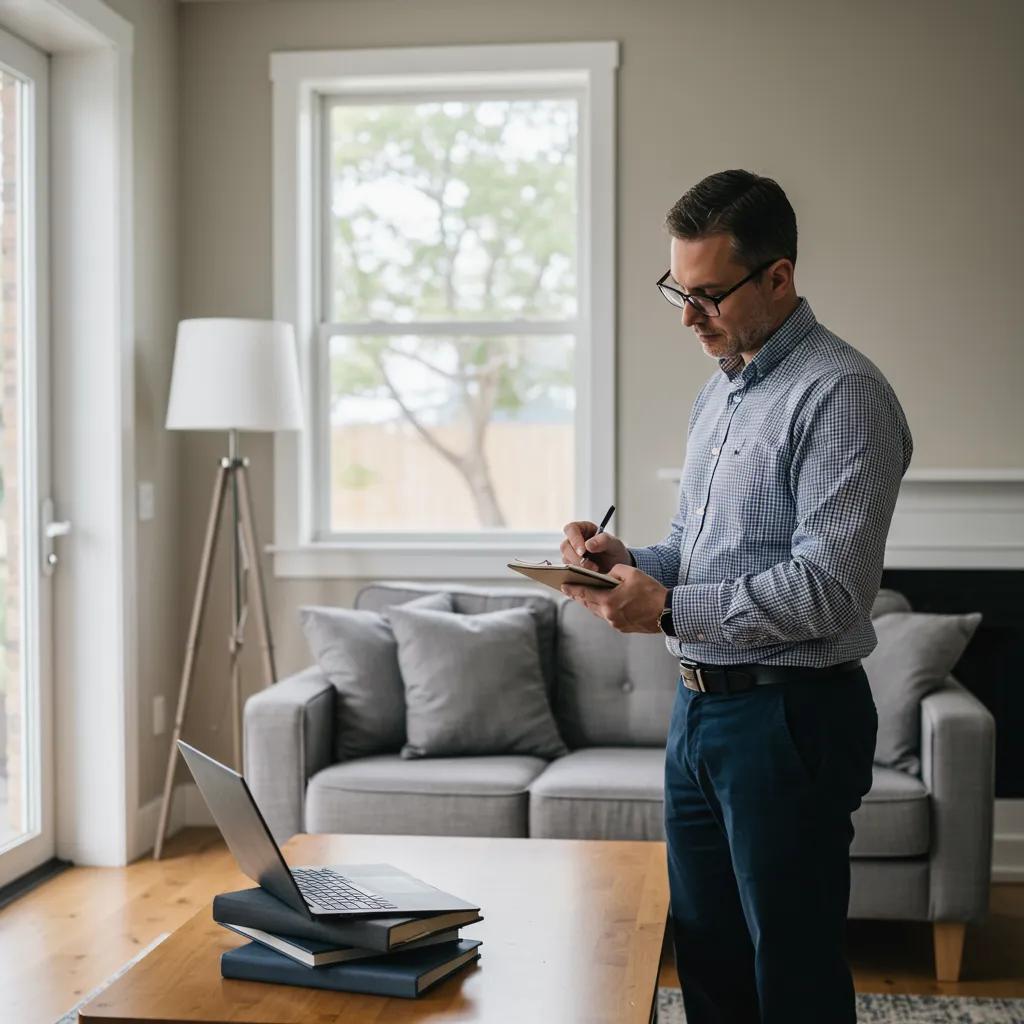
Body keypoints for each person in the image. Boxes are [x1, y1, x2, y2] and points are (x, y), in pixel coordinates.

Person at [559, 169, 912, 1024]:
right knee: (707, 953)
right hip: (700, 715)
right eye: (678, 290)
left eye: (708, 294)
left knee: (789, 965)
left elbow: (827, 592)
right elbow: (692, 552)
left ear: (779, 277)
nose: (689, 316)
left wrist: (668, 610)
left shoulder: (844, 396)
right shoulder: (718, 393)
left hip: (790, 720)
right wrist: (624, 562)